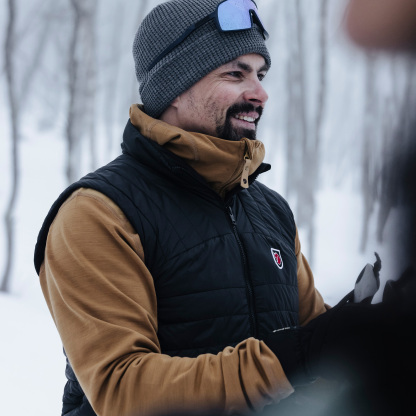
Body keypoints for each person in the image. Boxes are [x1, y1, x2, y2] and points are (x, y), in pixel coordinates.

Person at [33, 1, 414, 416]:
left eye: (260, 75)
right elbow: (122, 391)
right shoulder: (99, 213)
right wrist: (299, 354)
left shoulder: (271, 211)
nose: (260, 93)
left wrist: (370, 331)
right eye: (236, 73)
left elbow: (314, 350)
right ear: (174, 86)